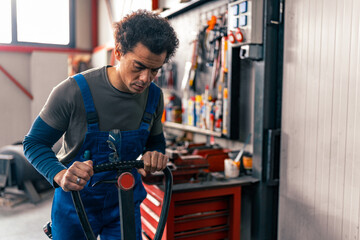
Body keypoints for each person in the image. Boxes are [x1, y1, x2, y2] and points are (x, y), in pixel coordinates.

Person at [23, 9, 179, 240]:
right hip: (76, 203)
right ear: (118, 52)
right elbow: (34, 143)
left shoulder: (154, 97)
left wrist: (154, 155)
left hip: (125, 202)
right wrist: (59, 174)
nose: (146, 78)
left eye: (154, 70)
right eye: (138, 66)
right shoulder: (72, 91)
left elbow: (155, 142)